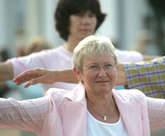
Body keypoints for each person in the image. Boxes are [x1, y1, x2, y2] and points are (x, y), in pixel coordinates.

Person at [14, 0, 165, 136]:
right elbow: (12, 110)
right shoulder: (58, 103)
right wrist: (52, 76)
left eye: (91, 15)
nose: (103, 74)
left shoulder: (134, 103)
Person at [0, 0, 144, 94]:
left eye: (91, 15)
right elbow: (5, 71)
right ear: (65, 19)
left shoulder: (114, 57)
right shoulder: (46, 58)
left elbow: (159, 66)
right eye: (79, 15)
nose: (86, 21)